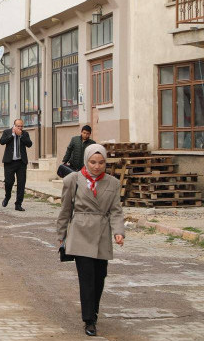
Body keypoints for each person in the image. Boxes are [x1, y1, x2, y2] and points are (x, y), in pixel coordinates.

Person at [57, 144, 125, 337]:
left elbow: (116, 211)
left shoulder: (112, 183)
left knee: (99, 277)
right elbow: (65, 210)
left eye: (101, 162)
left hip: (102, 234)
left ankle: (93, 311)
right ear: (86, 161)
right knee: (86, 278)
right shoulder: (73, 180)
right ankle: (89, 320)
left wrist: (118, 232)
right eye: (93, 162)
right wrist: (61, 235)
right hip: (80, 233)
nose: (97, 166)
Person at [0, 118, 32, 211]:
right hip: (9, 162)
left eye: (21, 126)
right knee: (9, 182)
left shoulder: (25, 134)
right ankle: (7, 196)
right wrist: (13, 135)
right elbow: (2, 141)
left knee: (21, 184)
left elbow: (29, 144)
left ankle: (18, 204)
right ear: (14, 126)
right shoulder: (7, 132)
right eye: (18, 126)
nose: (20, 128)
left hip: (21, 162)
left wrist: (21, 135)